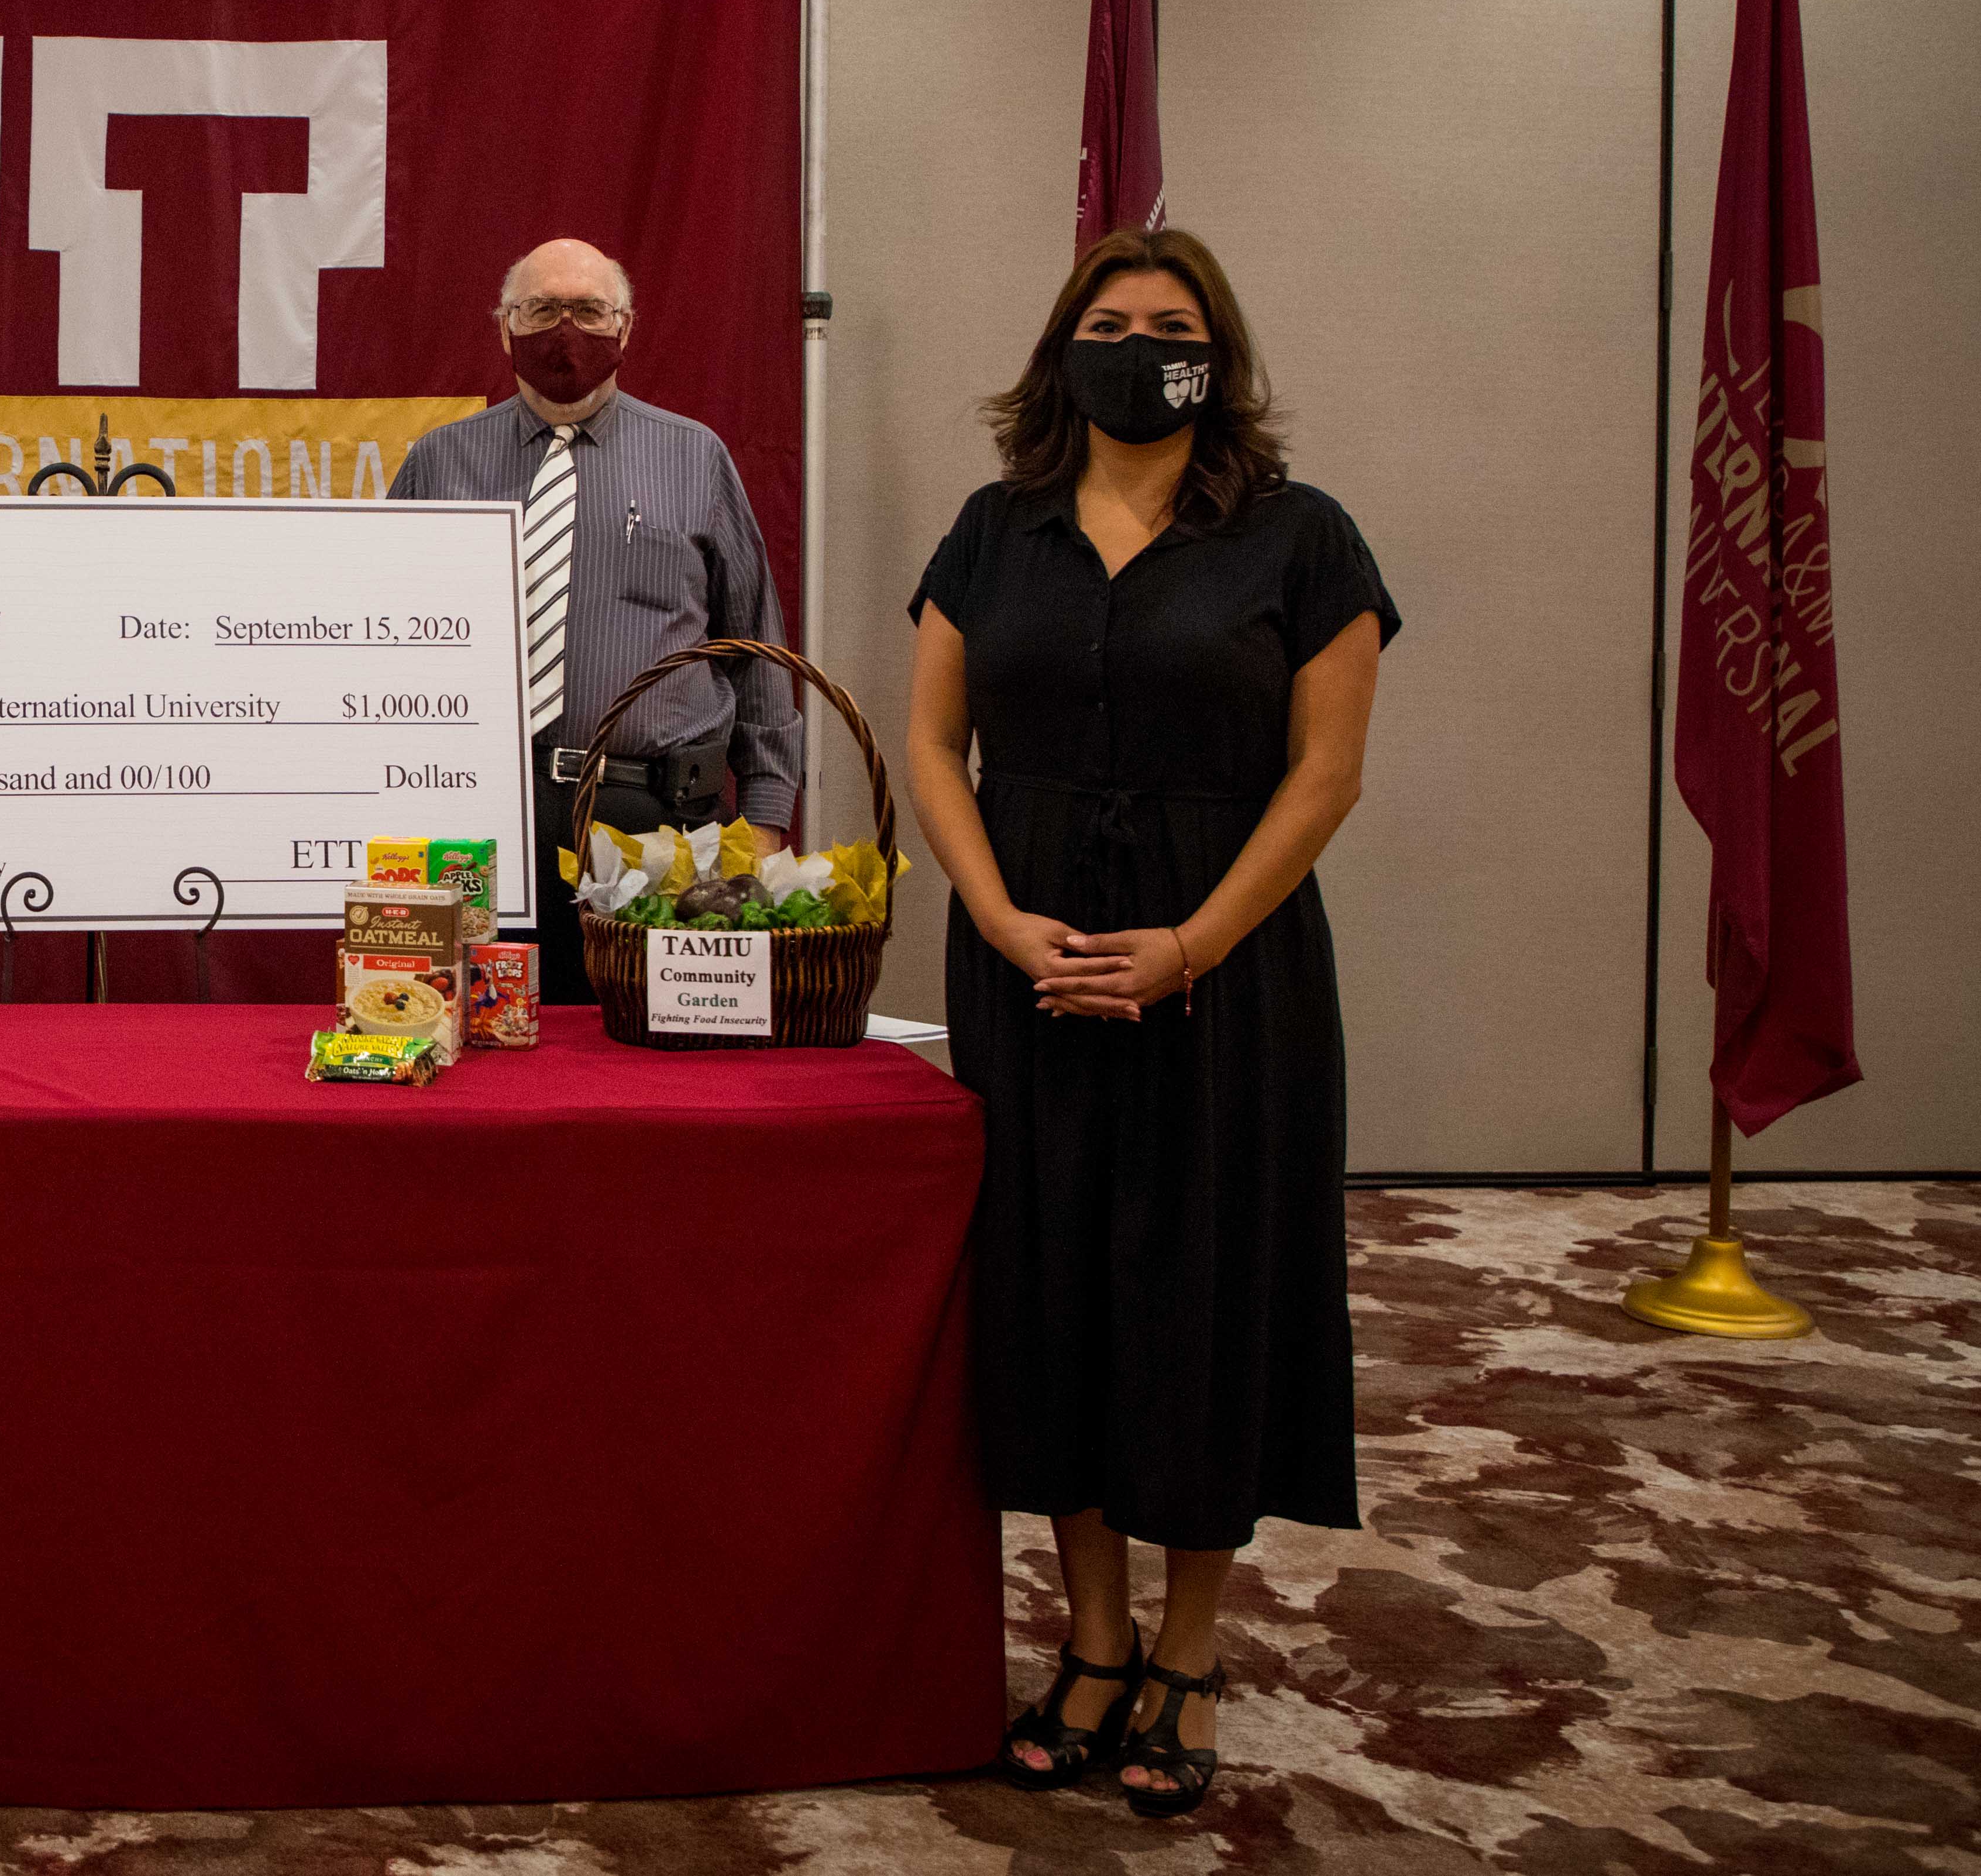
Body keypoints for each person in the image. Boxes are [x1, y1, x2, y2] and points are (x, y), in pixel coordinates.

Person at [902, 225, 1395, 1820]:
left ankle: (1189, 1648)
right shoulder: (993, 531)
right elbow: (931, 746)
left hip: (1225, 976)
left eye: (1168, 325)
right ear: (1063, 352)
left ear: (1218, 356)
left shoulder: (1304, 540)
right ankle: (1091, 1641)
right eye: (1106, 323)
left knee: (1199, 1301)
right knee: (1053, 1301)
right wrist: (987, 914)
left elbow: (1325, 776)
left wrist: (1186, 945)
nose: (1137, 344)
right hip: (1029, 969)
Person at [388, 236, 801, 1002]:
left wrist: (767, 821)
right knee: (477, 1040)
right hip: (478, 828)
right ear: (504, 328)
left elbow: (757, 646)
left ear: (627, 327)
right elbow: (384, 644)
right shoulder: (439, 464)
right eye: (542, 309)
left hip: (659, 827)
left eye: (588, 310)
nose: (565, 330)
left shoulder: (694, 457)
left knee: (657, 1057)